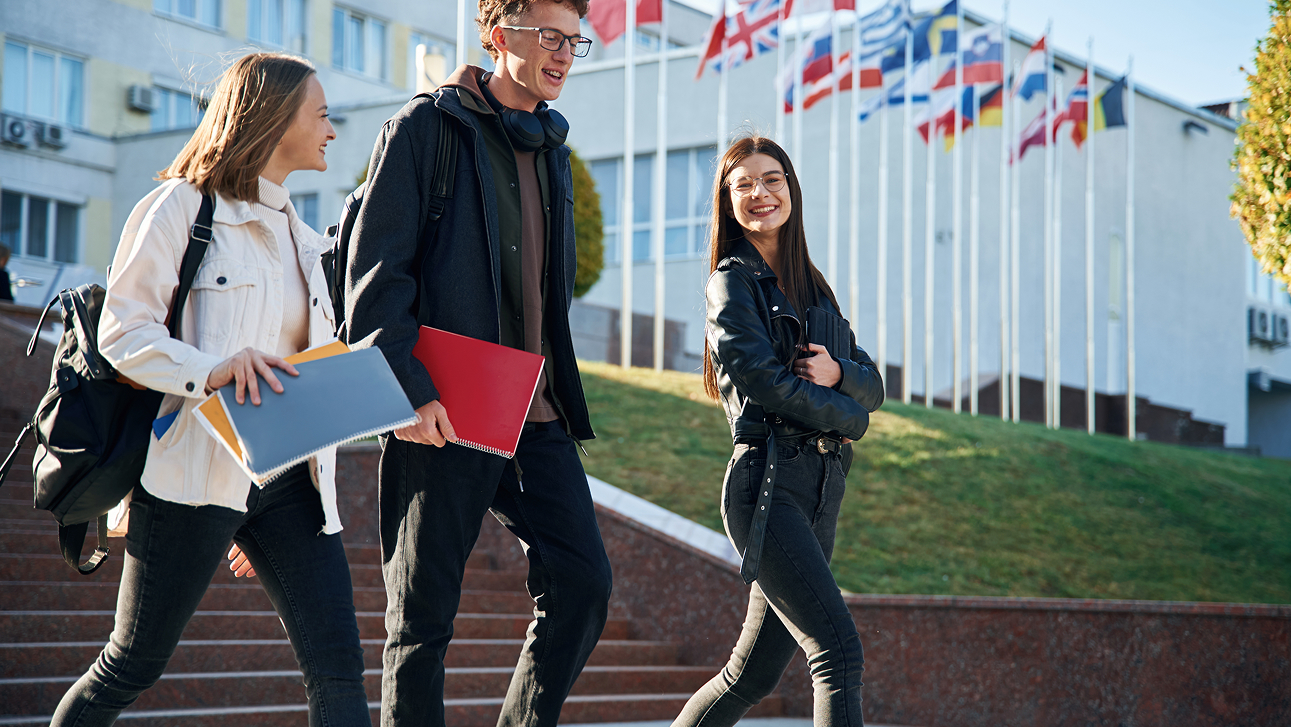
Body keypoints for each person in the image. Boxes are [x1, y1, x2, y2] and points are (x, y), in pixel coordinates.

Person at [53, 52, 371, 726]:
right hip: (194, 475)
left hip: (288, 480)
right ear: (275, 117)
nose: (331, 131)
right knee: (130, 663)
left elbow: (302, 362)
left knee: (340, 669)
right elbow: (123, 333)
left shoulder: (304, 240)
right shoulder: (177, 207)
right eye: (321, 115)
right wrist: (215, 368)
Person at [342, 0, 610, 725]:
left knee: (583, 582)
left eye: (574, 42)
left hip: (536, 408)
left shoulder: (552, 145)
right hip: (444, 405)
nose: (563, 53)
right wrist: (404, 391)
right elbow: (376, 275)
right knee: (420, 619)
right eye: (550, 36)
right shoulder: (425, 128)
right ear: (498, 35)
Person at [673, 136, 885, 727]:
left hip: (821, 486)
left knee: (750, 677)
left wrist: (840, 373)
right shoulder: (731, 284)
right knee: (837, 653)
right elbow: (767, 386)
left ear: (790, 187)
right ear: (727, 202)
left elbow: (873, 382)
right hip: (766, 485)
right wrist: (853, 418)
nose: (760, 194)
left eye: (772, 180)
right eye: (743, 186)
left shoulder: (813, 288)